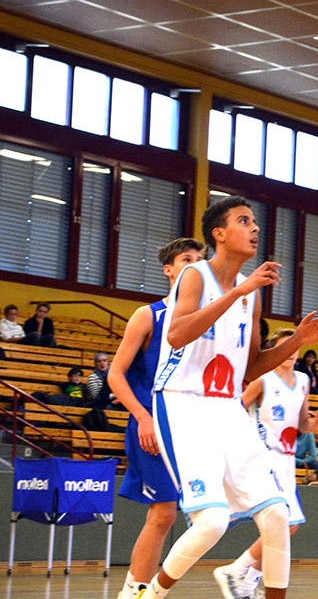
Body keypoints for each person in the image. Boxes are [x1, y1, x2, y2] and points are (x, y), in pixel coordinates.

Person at [137, 196, 318, 599]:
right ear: (219, 234)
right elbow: (176, 334)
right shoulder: (195, 275)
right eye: (244, 221)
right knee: (212, 523)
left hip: (226, 405)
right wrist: (239, 290)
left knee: (277, 514)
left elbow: (250, 369)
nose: (255, 228)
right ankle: (149, 594)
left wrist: (297, 339)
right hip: (183, 400)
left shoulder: (251, 295)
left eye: (255, 222)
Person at [107, 237, 203, 599]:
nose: (195, 265)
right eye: (187, 259)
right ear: (169, 270)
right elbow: (115, 374)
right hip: (151, 422)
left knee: (205, 516)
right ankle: (135, 592)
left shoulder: (204, 319)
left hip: (189, 425)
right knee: (163, 514)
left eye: (199, 260)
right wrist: (143, 417)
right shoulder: (148, 315)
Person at [213, 327, 318, 599]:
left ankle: (246, 582)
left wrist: (314, 425)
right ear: (275, 350)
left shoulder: (303, 380)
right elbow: (235, 409)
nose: (290, 352)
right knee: (284, 525)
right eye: (284, 346)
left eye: (294, 346)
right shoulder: (263, 379)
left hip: (287, 460)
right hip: (264, 456)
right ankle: (236, 570)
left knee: (289, 527)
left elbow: (302, 423)